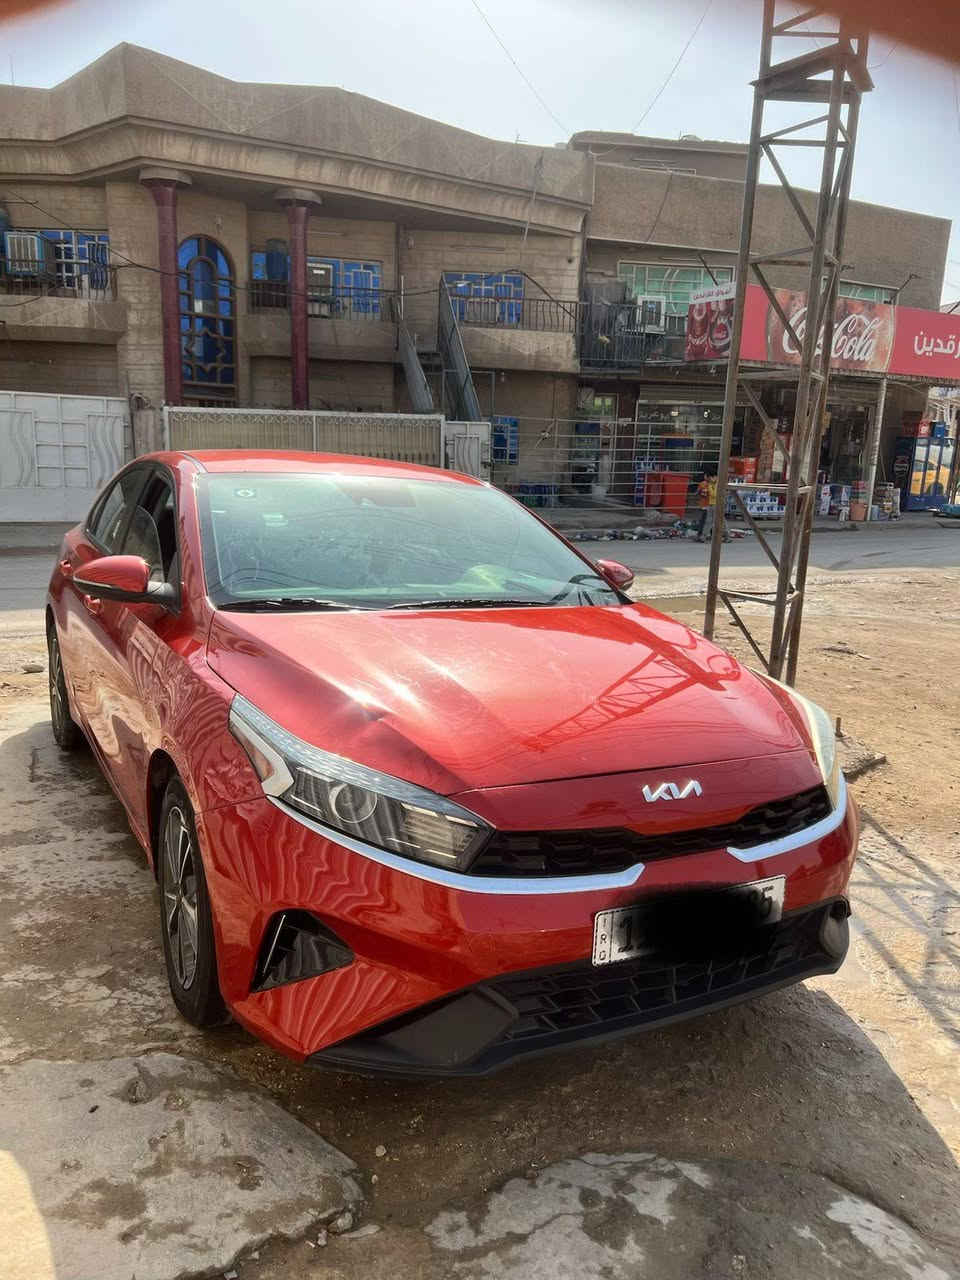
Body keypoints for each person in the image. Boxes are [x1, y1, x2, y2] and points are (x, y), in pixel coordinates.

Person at [695, 468, 730, 543]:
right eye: (710, 477)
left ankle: (727, 536)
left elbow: (714, 494)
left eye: (712, 477)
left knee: (721, 522)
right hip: (711, 505)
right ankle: (703, 536)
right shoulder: (708, 484)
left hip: (718, 505)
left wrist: (709, 488)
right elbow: (702, 494)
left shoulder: (718, 484)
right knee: (709, 521)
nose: (711, 479)